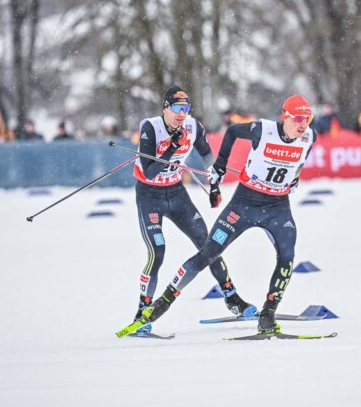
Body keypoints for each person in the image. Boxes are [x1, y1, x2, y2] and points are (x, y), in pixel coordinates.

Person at [125, 93, 318, 336]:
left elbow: (298, 160)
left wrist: (294, 177)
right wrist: (220, 166)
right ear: (285, 117)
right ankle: (156, 307)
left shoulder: (310, 136)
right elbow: (233, 132)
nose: (303, 124)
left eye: (308, 118)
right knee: (199, 251)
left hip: (277, 206)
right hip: (242, 203)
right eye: (298, 118)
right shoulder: (263, 130)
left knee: (287, 256)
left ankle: (265, 315)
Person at [131, 85, 254, 335]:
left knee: (208, 244)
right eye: (176, 108)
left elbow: (207, 156)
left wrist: (214, 185)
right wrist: (172, 147)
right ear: (165, 108)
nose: (181, 114)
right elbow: (150, 171)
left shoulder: (192, 126)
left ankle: (233, 299)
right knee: (158, 251)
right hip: (149, 195)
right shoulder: (150, 128)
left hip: (176, 194)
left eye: (185, 108)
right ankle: (142, 313)